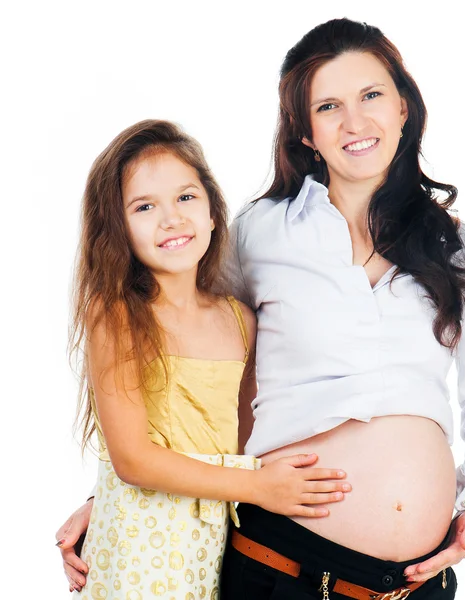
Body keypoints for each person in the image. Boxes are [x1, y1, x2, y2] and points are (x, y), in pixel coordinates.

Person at [58, 18, 465, 600]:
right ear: (305, 132)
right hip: (283, 569)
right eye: (329, 106)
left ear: (404, 106)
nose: (355, 122)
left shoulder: (464, 250)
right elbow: (196, 357)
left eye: (372, 95)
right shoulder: (259, 234)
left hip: (417, 585)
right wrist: (117, 492)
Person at [59, 119, 351, 599]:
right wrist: (260, 489)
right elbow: (132, 459)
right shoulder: (116, 314)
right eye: (145, 206)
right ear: (119, 228)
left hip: (210, 540)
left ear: (215, 213)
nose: (172, 219)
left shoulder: (239, 320)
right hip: (138, 542)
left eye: (186, 198)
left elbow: (240, 438)